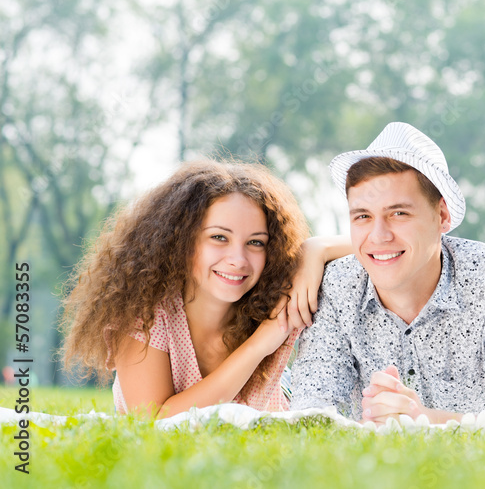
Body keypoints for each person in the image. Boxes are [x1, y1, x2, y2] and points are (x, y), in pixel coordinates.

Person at [290, 122, 485, 425]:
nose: (379, 235)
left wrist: (421, 420)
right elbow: (311, 416)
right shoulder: (336, 289)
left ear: (442, 216)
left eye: (399, 213)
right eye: (363, 217)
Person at [61, 160, 351, 418]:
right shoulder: (144, 312)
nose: (238, 260)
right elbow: (153, 421)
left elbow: (381, 244)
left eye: (256, 242)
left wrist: (314, 249)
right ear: (182, 241)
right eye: (218, 237)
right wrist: (261, 343)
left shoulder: (273, 296)